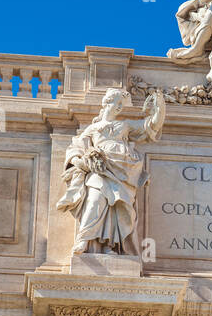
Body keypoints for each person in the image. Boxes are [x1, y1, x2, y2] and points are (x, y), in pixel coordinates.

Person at [56, 87, 165, 255]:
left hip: (123, 171)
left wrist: (160, 106)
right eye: (118, 103)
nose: (120, 107)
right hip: (100, 170)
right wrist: (81, 161)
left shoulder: (125, 125)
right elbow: (75, 148)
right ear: (106, 103)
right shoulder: (92, 129)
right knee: (94, 200)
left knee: (117, 207)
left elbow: (151, 126)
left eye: (122, 104)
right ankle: (84, 240)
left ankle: (109, 245)